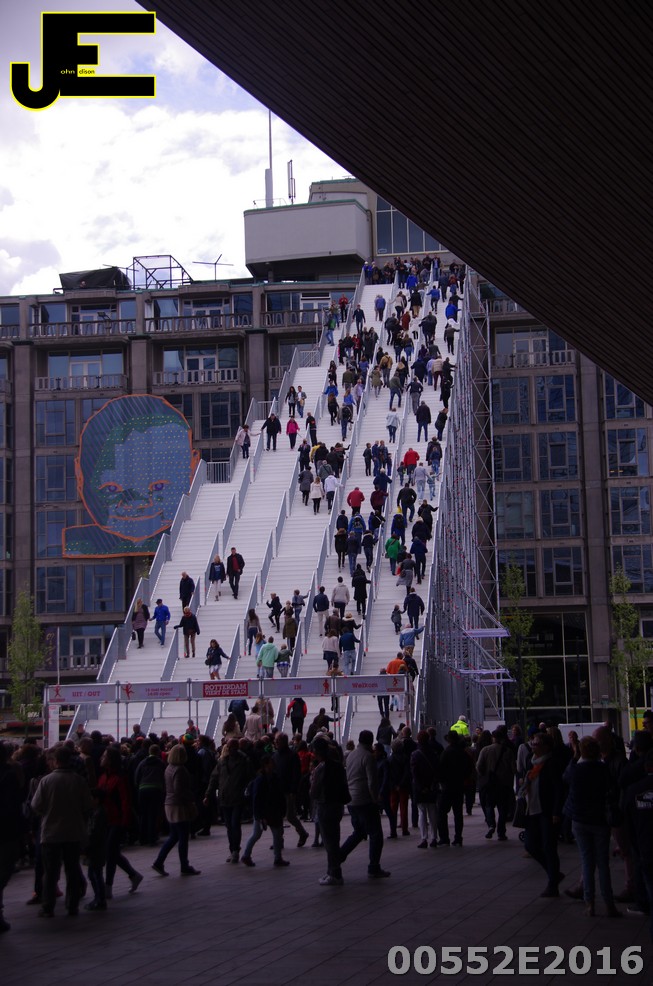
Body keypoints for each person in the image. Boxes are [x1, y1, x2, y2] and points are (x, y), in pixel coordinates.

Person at [64, 394, 201, 556]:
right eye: (112, 489)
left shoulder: (200, 539)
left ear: (193, 467)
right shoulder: (77, 546)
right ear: (79, 476)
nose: (136, 504)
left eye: (158, 487)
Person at [30, 745, 94, 917]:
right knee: (72, 870)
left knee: (50, 872)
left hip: (51, 833)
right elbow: (88, 805)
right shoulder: (78, 781)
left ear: (56, 761)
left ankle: (47, 906)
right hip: (73, 832)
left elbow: (35, 805)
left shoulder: (46, 781)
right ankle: (72, 905)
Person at [563, 735, 621, 917]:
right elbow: (611, 790)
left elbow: (565, 777)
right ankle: (609, 903)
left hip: (580, 819)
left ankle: (590, 902)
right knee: (603, 863)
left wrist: (574, 758)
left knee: (587, 861)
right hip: (599, 820)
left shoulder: (576, 770)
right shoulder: (603, 770)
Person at [339, 730, 390, 879]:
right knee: (375, 834)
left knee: (359, 832)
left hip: (352, 799)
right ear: (370, 741)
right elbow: (372, 781)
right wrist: (375, 799)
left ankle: (339, 856)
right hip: (365, 800)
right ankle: (374, 866)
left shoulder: (351, 755)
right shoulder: (368, 757)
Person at [522, 732, 565, 897]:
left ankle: (552, 884)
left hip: (547, 811)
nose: (533, 746)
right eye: (532, 743)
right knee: (530, 845)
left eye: (536, 744)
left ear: (546, 747)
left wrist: (556, 811)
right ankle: (554, 874)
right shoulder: (531, 761)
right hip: (532, 809)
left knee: (549, 846)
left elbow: (558, 789)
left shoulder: (552, 764)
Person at [152, 744, 201, 878]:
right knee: (183, 836)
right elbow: (179, 789)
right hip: (179, 805)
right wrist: (191, 798)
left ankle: (159, 861)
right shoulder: (180, 770)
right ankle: (184, 865)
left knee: (174, 835)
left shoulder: (168, 768)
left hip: (169, 803)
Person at [205, 739, 253, 865]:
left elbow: (249, 777)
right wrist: (208, 794)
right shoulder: (222, 762)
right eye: (230, 746)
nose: (232, 749)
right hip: (225, 797)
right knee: (229, 826)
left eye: (234, 746)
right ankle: (233, 849)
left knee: (234, 824)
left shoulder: (244, 761)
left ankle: (235, 850)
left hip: (237, 797)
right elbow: (214, 778)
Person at [311, 737, 351, 886]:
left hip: (325, 805)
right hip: (337, 805)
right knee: (334, 838)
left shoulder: (321, 768)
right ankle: (331, 871)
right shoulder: (338, 766)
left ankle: (335, 872)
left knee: (329, 841)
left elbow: (314, 792)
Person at [241, 755, 290, 868]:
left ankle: (275, 857)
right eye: (271, 762)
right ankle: (275, 858)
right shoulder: (261, 780)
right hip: (266, 811)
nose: (274, 764)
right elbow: (257, 798)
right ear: (266, 765)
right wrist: (260, 815)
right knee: (264, 834)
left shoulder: (271, 778)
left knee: (271, 834)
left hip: (272, 811)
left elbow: (279, 795)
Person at [476, 726, 516, 841]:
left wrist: (484, 776)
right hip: (504, 784)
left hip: (490, 783)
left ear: (493, 738)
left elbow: (479, 766)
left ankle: (491, 825)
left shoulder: (485, 750)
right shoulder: (507, 751)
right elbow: (514, 769)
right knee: (502, 808)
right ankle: (501, 832)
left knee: (489, 805)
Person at [411, 730, 440, 848]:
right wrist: (433, 784)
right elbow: (437, 771)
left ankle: (424, 838)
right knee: (433, 812)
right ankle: (434, 838)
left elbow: (414, 773)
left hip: (420, 788)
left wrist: (420, 787)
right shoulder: (433, 754)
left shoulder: (415, 755)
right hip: (431, 786)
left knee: (422, 813)